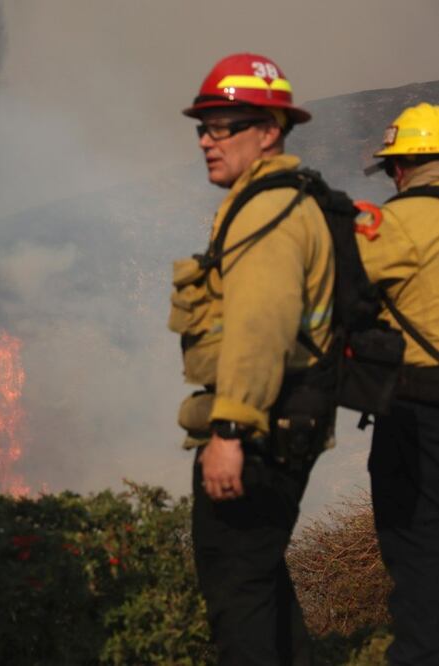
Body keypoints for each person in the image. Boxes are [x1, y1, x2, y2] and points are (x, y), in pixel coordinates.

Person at [169, 53, 335, 665]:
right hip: (283, 421)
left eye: (224, 126)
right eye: (203, 127)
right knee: (259, 582)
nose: (207, 142)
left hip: (261, 429)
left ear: (269, 132)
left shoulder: (267, 209)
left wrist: (230, 430)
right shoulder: (278, 200)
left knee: (236, 592)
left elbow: (258, 328)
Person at [357, 102, 439, 665]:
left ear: (405, 166)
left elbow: (332, 296)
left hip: (418, 411)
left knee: (417, 547)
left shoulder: (395, 223)